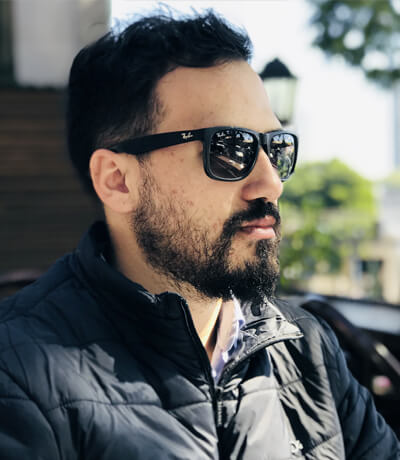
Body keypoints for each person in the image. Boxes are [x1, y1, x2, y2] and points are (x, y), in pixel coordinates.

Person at [0, 9, 398, 460]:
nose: (271, 183)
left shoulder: (306, 350)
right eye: (229, 148)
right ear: (118, 180)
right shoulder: (18, 378)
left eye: (276, 148)